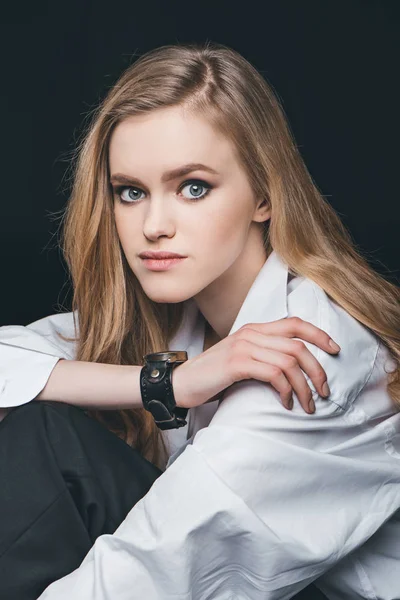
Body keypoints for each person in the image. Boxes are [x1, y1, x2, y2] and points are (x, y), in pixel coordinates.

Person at [0, 41, 399, 600]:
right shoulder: (173, 325)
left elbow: (156, 570)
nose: (154, 225)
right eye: (130, 192)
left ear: (264, 193)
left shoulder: (312, 348)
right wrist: (165, 383)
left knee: (43, 440)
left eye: (193, 188)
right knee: (36, 428)